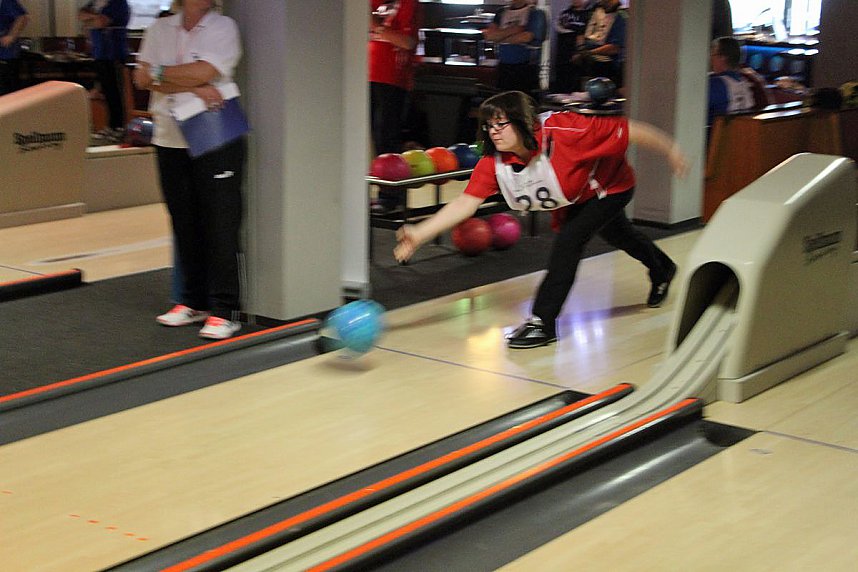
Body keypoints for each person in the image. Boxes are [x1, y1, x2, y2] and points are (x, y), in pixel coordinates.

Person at [394, 90, 687, 349]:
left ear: (524, 121)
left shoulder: (568, 131)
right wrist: (419, 233)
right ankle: (662, 268)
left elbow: (630, 130)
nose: (493, 132)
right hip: (576, 197)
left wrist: (672, 151)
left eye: (501, 124)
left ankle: (542, 322)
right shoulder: (494, 162)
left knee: (569, 243)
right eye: (489, 125)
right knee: (618, 235)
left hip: (610, 187)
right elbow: (465, 203)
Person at [133, 0, 246, 340]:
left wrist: (162, 74)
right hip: (169, 135)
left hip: (214, 134)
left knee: (221, 222)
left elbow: (204, 71)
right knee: (184, 220)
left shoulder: (223, 27)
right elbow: (140, 77)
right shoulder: (159, 28)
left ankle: (224, 310)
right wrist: (193, 85)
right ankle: (193, 301)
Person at [369, 0, 420, 214]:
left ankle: (390, 195)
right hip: (367, 73)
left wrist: (376, 27)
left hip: (392, 77)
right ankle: (380, 190)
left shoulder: (408, 3)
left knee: (386, 137)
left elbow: (407, 42)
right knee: (373, 137)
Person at [79, 0, 130, 143]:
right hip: (100, 53)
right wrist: (92, 19)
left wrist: (91, 20)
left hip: (114, 53)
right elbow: (81, 15)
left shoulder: (117, 3)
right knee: (106, 92)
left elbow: (100, 22)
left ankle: (120, 127)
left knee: (116, 93)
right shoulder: (94, 3)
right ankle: (110, 126)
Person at [482, 0, 547, 98]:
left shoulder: (535, 13)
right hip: (504, 66)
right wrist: (516, 30)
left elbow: (527, 37)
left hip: (526, 67)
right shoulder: (501, 12)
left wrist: (500, 37)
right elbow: (489, 35)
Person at [571, 0, 626, 88]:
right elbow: (582, 32)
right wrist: (581, 50)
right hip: (590, 62)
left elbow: (614, 48)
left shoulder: (621, 17)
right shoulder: (595, 10)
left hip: (609, 66)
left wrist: (588, 53)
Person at [707, 36, 757, 127]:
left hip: (718, 137)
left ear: (723, 58)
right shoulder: (745, 82)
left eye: (713, 55)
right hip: (744, 134)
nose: (711, 59)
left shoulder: (716, 84)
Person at [553, 0, 592, 94]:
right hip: (563, 56)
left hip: (580, 56)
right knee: (562, 85)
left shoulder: (590, 15)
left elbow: (587, 34)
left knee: (577, 87)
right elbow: (560, 29)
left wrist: (579, 51)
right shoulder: (565, 14)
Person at [0, 0, 28, 96]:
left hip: (6, 54)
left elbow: (22, 17)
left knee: (7, 90)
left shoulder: (6, 1)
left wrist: (11, 36)